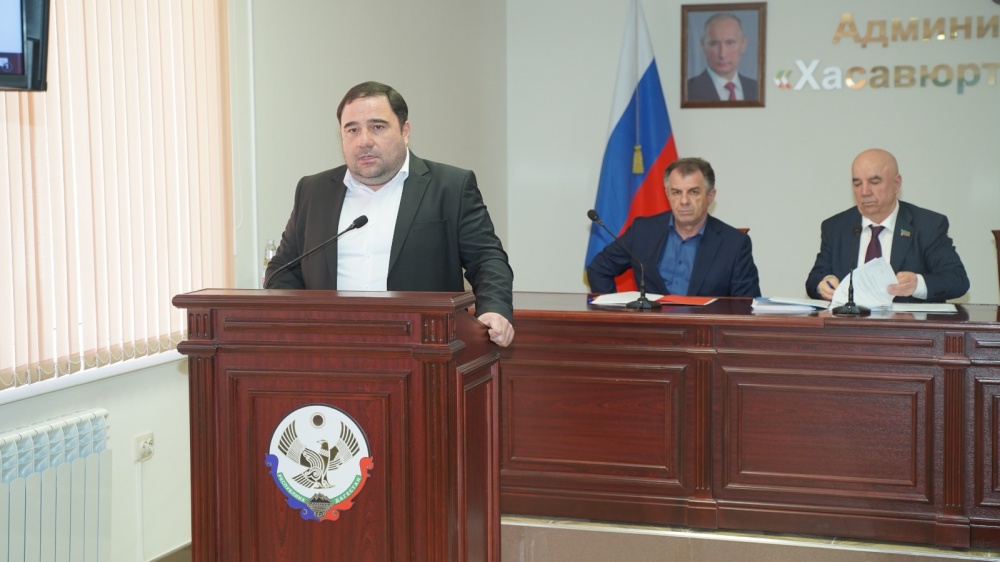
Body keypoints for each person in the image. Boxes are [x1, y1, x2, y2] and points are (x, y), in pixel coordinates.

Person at [265, 81, 515, 346]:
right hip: (332, 347)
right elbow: (283, 270)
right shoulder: (313, 191)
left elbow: (487, 259)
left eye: (377, 127)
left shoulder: (450, 187)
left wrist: (494, 309)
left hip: (423, 346)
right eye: (352, 130)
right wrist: (297, 326)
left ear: (405, 131)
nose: (364, 141)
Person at [805, 148, 969, 303]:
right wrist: (823, 284)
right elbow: (814, 280)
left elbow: (957, 280)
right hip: (850, 323)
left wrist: (917, 284)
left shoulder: (927, 225)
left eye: (874, 182)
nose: (864, 192)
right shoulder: (835, 227)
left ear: (896, 184)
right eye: (857, 184)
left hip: (908, 322)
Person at [587, 157, 760, 297]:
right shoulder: (643, 231)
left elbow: (746, 306)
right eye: (676, 192)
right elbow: (598, 269)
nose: (684, 201)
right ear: (667, 194)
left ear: (710, 196)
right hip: (652, 328)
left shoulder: (734, 244)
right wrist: (616, 314)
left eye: (693, 192)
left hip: (703, 329)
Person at [686, 13, 758, 102]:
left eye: (730, 43)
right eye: (714, 44)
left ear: (743, 44)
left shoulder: (757, 89)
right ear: (703, 46)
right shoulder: (687, 91)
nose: (722, 54)